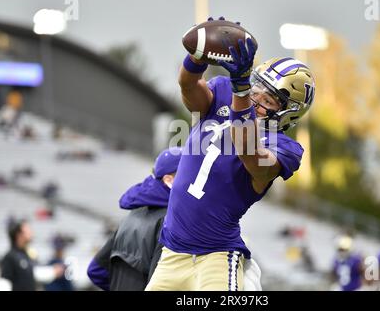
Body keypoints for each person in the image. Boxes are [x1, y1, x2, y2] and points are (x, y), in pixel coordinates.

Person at [146, 16, 316, 291]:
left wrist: (241, 87)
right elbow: (188, 87)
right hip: (171, 251)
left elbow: (248, 150)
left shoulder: (285, 148)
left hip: (216, 255)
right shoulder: (226, 91)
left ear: (287, 113)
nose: (255, 99)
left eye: (267, 99)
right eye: (256, 88)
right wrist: (198, 56)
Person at [87, 147, 182, 291]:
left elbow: (96, 270)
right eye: (188, 174)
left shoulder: (130, 217)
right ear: (168, 179)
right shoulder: (171, 221)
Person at [0, 219, 65, 291]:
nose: (31, 232)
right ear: (19, 235)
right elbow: (4, 284)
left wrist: (52, 272)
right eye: (27, 230)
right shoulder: (10, 257)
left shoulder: (28, 255)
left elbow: (34, 273)